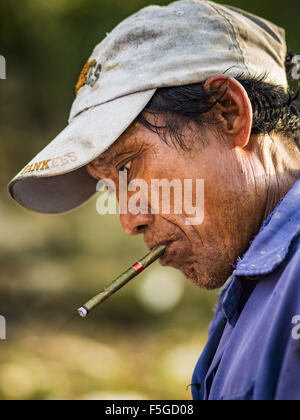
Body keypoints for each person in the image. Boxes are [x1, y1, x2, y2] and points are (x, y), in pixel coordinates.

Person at [8, 0, 300, 400]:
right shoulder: (255, 279)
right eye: (110, 185)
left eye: (129, 164)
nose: (129, 221)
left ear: (228, 112)